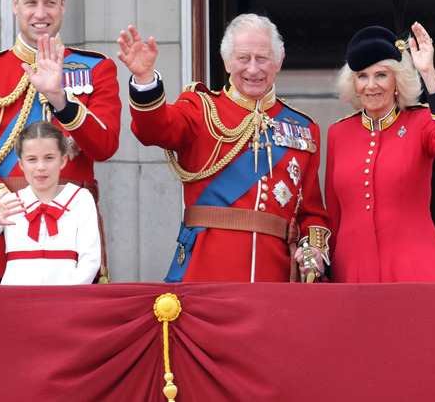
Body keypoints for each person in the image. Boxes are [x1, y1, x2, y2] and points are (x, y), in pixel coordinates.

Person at [118, 14, 330, 283]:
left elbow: (312, 212)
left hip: (273, 278)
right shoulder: (200, 108)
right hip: (206, 273)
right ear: (227, 61)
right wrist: (145, 79)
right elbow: (155, 129)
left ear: (279, 61)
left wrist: (313, 248)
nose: (253, 69)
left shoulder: (303, 128)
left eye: (262, 58)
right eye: (243, 58)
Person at [0, 0, 120, 283]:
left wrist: (61, 101)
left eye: (50, 3)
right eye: (31, 3)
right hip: (6, 234)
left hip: (72, 232)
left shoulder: (97, 68)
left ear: (63, 5)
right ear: (15, 5)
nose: (40, 13)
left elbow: (105, 145)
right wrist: (11, 210)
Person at [326, 22, 435, 282]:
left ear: (397, 80)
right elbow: (333, 215)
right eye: (362, 76)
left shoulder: (419, 122)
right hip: (352, 273)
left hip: (415, 269)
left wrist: (428, 73)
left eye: (381, 75)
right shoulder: (338, 134)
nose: (371, 85)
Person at [0, 121, 101, 285]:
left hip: (66, 302)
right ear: (21, 164)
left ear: (63, 160)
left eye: (49, 158)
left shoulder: (81, 198)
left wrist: (67, 299)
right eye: (32, 159)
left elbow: (90, 260)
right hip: (15, 302)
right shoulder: (10, 202)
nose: (41, 167)